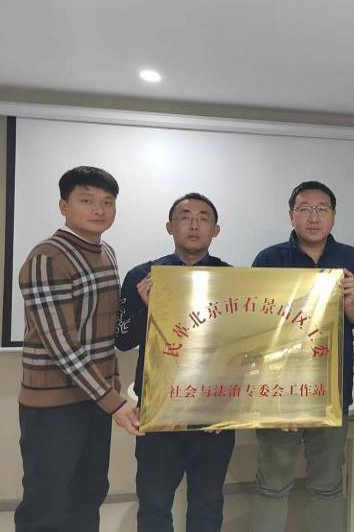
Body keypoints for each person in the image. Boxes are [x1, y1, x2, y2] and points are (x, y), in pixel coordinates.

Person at [14, 166, 141, 532]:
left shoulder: (106, 252)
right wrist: (114, 402)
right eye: (86, 200)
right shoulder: (48, 258)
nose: (99, 210)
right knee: (47, 504)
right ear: (64, 206)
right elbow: (62, 347)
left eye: (107, 202)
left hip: (94, 400)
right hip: (54, 406)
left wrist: (111, 392)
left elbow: (103, 332)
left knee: (88, 494)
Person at [250, 180, 354, 532]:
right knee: (273, 482)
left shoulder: (352, 259)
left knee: (328, 483)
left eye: (322, 209)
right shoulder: (269, 259)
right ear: (291, 215)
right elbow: (254, 326)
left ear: (334, 216)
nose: (314, 217)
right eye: (304, 209)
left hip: (331, 390)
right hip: (278, 391)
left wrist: (351, 303)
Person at [115, 192, 234, 532]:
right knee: (154, 503)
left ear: (216, 230)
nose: (194, 224)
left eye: (203, 218)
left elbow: (241, 346)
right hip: (159, 409)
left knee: (208, 503)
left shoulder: (231, 278)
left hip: (214, 411)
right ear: (170, 227)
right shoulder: (144, 276)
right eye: (184, 217)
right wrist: (148, 308)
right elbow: (123, 339)